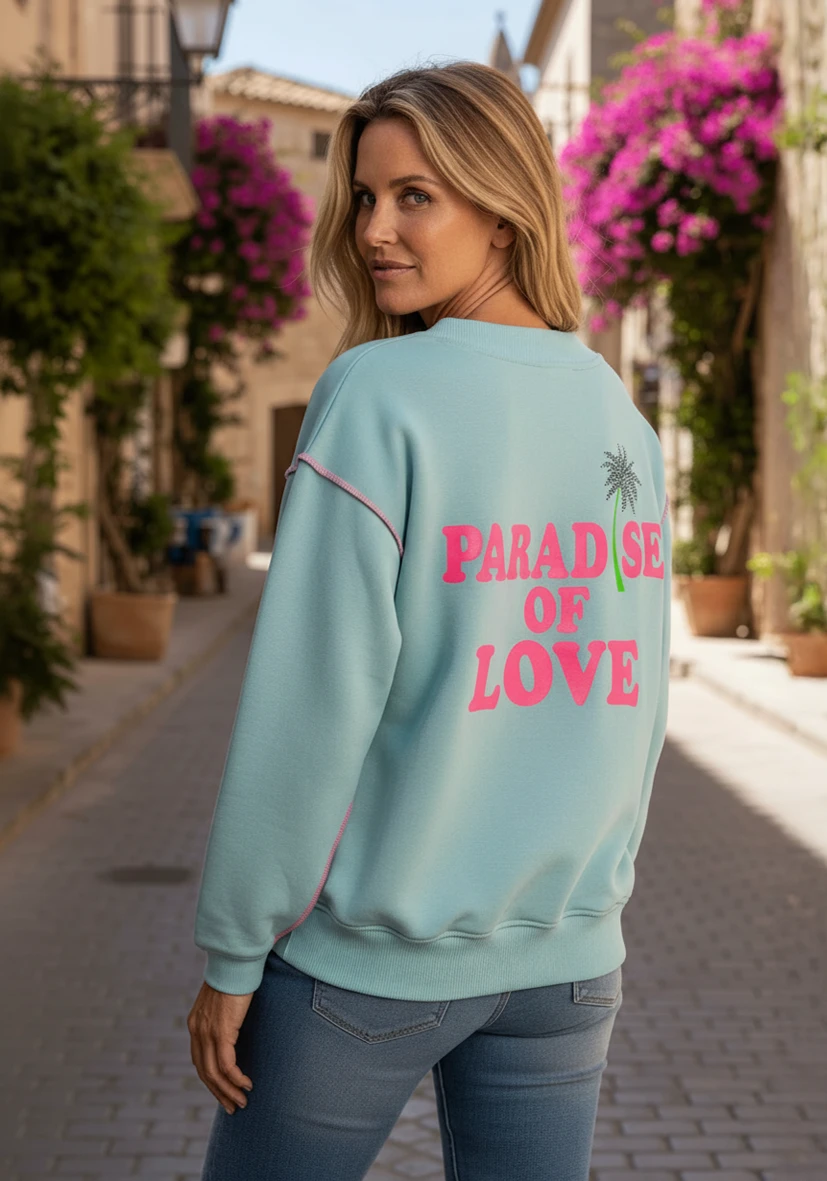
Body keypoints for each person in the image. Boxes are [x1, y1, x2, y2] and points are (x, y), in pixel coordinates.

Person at [188, 59, 671, 1181]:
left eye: (416, 196)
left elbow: (309, 707)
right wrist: (585, 899)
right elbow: (637, 702)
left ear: (502, 208)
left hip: (368, 966)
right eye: (365, 197)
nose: (372, 229)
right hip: (566, 969)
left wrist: (233, 947)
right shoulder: (619, 415)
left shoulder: (376, 393)